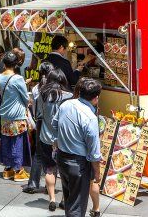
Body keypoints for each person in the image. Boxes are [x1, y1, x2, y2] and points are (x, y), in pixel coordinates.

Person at [52, 78, 102, 217]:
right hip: (78, 163)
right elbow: (94, 152)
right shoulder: (90, 117)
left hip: (62, 158)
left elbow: (54, 124)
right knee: (77, 206)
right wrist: (97, 172)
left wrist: (60, 140)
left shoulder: (66, 105)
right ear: (96, 98)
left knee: (70, 199)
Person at [38, 69, 73, 211]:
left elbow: (39, 113)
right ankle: (65, 200)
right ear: (63, 80)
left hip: (46, 137)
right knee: (66, 171)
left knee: (49, 169)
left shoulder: (43, 94)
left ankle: (52, 199)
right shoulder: (69, 96)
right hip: (64, 139)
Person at [0, 51, 31, 182]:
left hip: (5, 115)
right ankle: (18, 171)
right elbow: (25, 97)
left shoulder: (0, 77)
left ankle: (8, 169)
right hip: (17, 115)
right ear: (16, 64)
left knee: (6, 141)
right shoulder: (18, 78)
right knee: (17, 142)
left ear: (4, 64)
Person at [23, 61, 54, 194]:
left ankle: (33, 184)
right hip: (53, 123)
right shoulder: (55, 88)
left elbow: (34, 109)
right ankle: (50, 186)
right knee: (54, 154)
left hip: (40, 122)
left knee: (39, 154)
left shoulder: (36, 88)